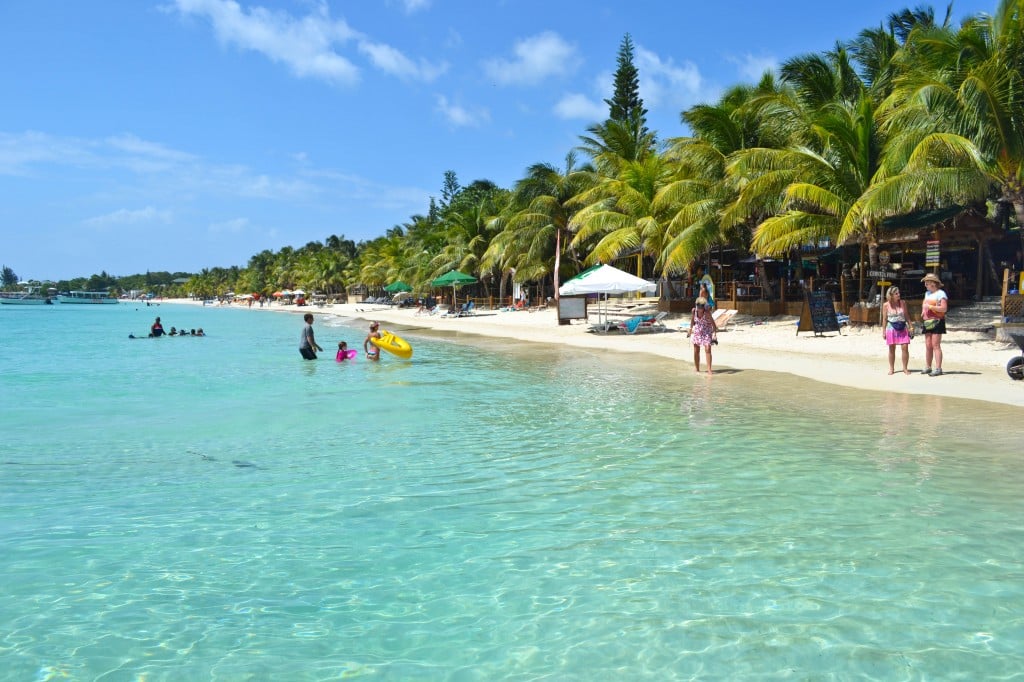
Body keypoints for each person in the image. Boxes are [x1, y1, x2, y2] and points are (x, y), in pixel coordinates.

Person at [920, 273, 948, 376]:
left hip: (937, 321)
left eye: (927, 283)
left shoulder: (941, 293)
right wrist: (923, 311)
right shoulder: (927, 293)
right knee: (928, 345)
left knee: (935, 345)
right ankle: (928, 366)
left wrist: (931, 307)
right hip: (927, 321)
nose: (925, 285)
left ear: (933, 283)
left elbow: (944, 309)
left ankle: (938, 368)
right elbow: (924, 304)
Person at [882, 286, 912, 375]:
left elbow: (906, 315)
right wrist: (883, 331)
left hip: (902, 326)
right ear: (891, 295)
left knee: (905, 347)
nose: (899, 295)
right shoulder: (886, 305)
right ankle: (891, 368)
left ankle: (905, 368)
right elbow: (884, 319)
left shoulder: (903, 303)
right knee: (892, 348)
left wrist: (911, 326)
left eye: (898, 293)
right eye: (896, 293)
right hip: (891, 328)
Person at [686, 297, 718, 374]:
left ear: (704, 306)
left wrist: (714, 334)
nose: (700, 309)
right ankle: (697, 369)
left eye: (701, 307)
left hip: (707, 332)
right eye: (698, 306)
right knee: (696, 350)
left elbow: (714, 325)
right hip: (697, 331)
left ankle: (709, 370)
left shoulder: (707, 313)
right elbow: (692, 321)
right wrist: (690, 329)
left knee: (708, 349)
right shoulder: (694, 311)